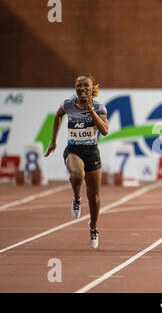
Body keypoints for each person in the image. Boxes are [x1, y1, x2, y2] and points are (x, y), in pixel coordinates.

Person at [44, 73, 109, 249]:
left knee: (94, 198)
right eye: (78, 85)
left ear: (92, 88)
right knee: (77, 174)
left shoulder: (99, 107)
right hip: (73, 150)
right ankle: (76, 197)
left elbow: (105, 131)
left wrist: (91, 111)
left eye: (86, 85)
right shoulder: (67, 105)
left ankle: (93, 227)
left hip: (92, 152)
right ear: (75, 87)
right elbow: (58, 116)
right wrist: (53, 140)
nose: (82, 88)